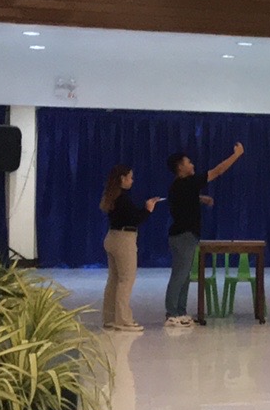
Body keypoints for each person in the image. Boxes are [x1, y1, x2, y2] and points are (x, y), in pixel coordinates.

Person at [163, 142, 245, 329]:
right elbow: (218, 171)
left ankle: (180, 311)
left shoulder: (178, 186)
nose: (192, 165)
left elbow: (185, 199)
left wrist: (201, 198)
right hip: (184, 235)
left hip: (184, 235)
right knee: (179, 275)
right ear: (180, 167)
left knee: (184, 275)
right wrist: (236, 155)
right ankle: (171, 313)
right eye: (188, 162)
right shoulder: (189, 182)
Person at [99, 164, 161, 332]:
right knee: (126, 280)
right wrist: (148, 210)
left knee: (113, 279)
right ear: (123, 178)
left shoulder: (112, 196)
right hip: (124, 239)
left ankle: (110, 318)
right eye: (130, 177)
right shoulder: (123, 198)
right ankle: (123, 320)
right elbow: (134, 219)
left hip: (112, 237)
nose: (132, 181)